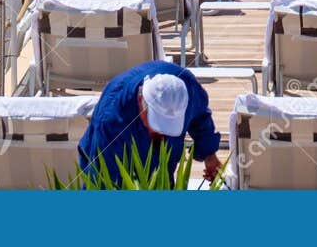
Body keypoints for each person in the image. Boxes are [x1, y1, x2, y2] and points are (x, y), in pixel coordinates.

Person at [77, 61, 223, 184]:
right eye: (157, 124)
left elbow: (201, 118)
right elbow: (103, 179)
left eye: (169, 126)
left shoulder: (187, 87)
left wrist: (209, 155)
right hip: (115, 160)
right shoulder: (111, 116)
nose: (160, 132)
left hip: (163, 168)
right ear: (141, 102)